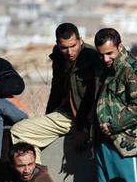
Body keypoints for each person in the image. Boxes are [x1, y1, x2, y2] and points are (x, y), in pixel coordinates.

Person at [9, 22, 99, 161]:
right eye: (64, 47)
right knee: (23, 133)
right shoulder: (59, 56)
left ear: (80, 40)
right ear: (57, 44)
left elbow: (95, 98)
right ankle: (38, 178)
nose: (69, 52)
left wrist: (84, 128)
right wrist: (48, 116)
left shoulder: (91, 58)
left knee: (19, 131)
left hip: (80, 120)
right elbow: (56, 90)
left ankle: (38, 179)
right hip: (64, 114)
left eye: (73, 46)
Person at [93, 28, 137, 182]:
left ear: (120, 46)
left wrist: (112, 125)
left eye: (109, 53)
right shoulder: (103, 67)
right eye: (101, 54)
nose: (105, 58)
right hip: (105, 141)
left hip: (128, 144)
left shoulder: (132, 70)